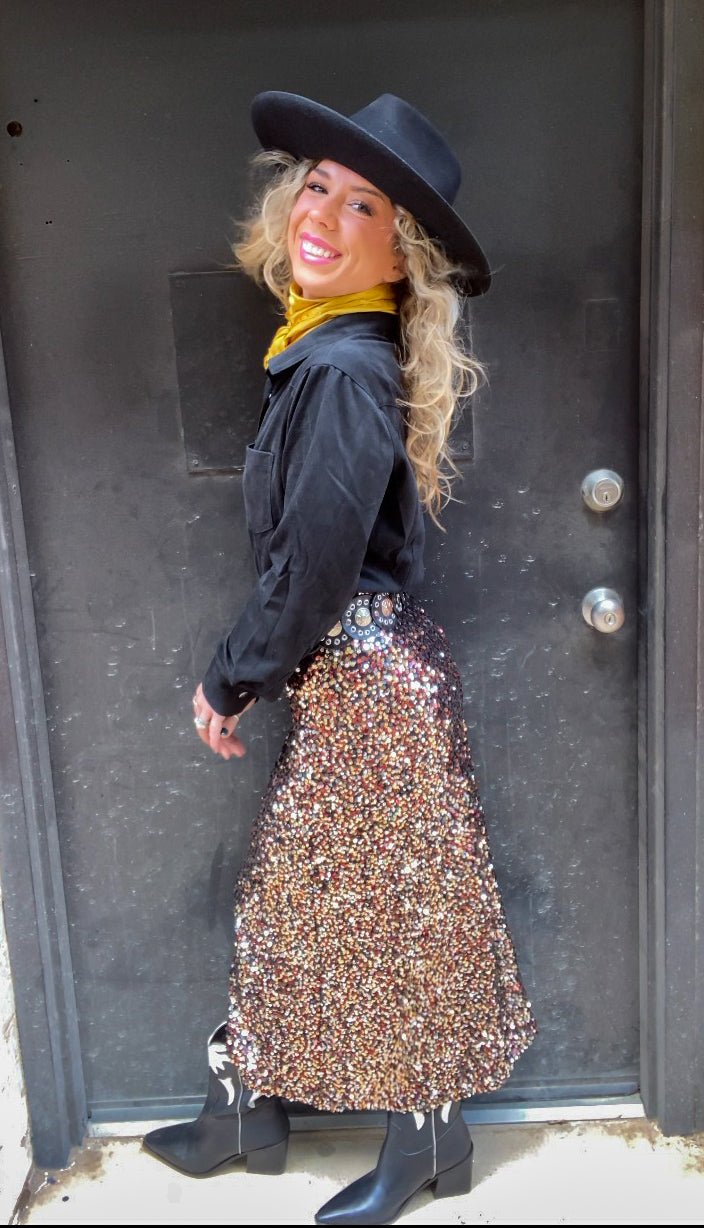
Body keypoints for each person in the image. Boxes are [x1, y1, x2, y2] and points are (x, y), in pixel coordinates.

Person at [143, 90, 537, 1226]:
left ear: (399, 254)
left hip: (367, 684)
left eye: (364, 206)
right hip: (359, 680)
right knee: (293, 907)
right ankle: (250, 1110)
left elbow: (316, 566)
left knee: (393, 917)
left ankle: (422, 1138)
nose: (323, 214)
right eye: (316, 185)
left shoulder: (341, 370)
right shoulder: (319, 351)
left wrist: (231, 674)